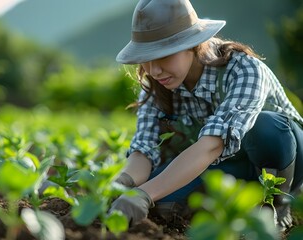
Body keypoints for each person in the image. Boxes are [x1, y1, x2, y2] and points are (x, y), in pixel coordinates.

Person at [109, 0, 303, 231]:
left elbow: (212, 144)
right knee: (161, 203)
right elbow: (144, 149)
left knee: (266, 126)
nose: (154, 70)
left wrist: (145, 193)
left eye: (163, 56)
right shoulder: (157, 86)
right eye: (146, 60)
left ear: (192, 44)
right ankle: (238, 205)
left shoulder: (244, 69)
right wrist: (120, 186)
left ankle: (277, 204)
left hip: (283, 158)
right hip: (225, 165)